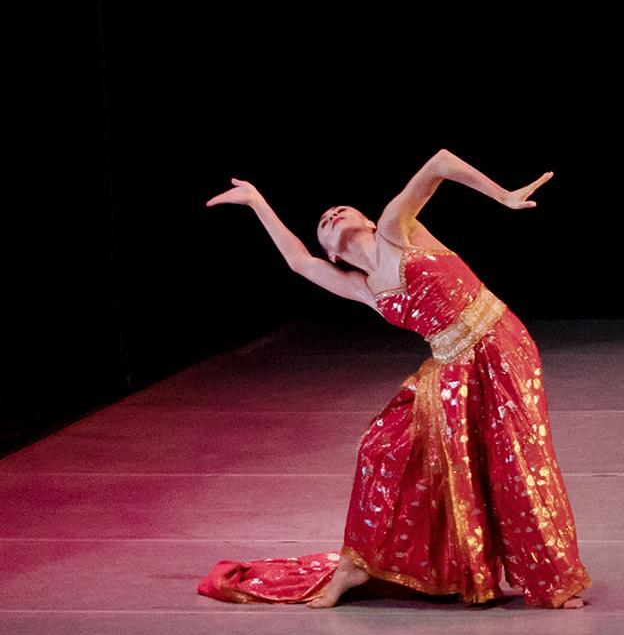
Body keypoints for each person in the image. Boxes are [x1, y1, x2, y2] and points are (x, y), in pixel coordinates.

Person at [198, 154, 588, 608]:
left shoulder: (394, 229)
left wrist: (504, 196)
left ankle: (549, 582)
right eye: (324, 221)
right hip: (450, 367)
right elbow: (298, 262)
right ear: (332, 252)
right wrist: (257, 201)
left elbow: (439, 163)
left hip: (499, 344)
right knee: (380, 447)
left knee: (512, 458)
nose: (331, 215)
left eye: (339, 209)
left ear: (364, 218)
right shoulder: (364, 288)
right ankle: (353, 568)